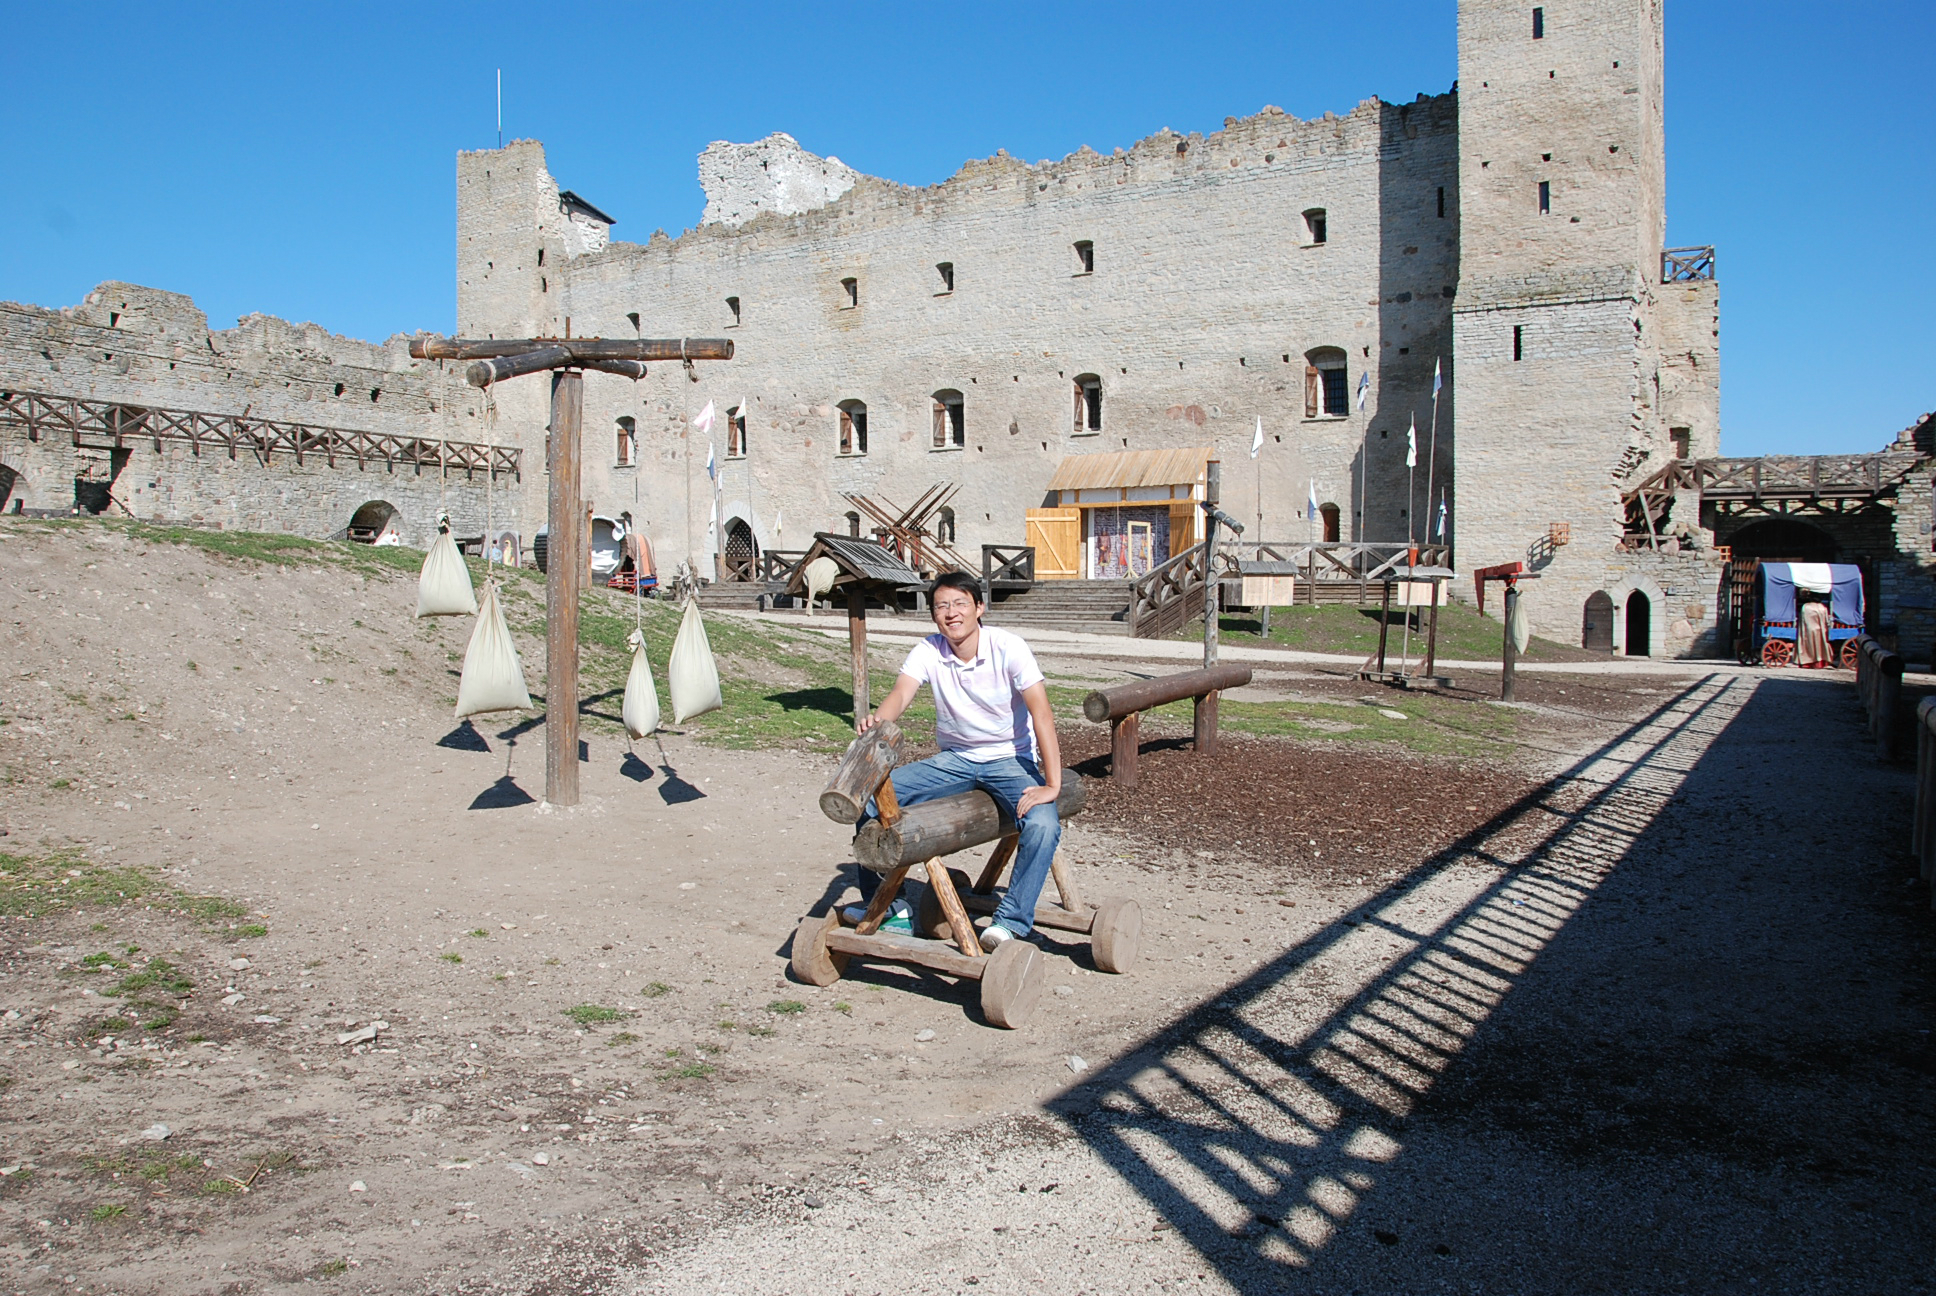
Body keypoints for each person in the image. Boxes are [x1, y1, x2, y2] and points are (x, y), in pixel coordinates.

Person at [845, 572, 1062, 949]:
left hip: (1009, 759)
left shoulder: (1008, 647)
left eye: (960, 603)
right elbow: (901, 694)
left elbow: (1041, 713)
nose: (951, 613)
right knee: (866, 799)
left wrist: (1052, 785)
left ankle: (1011, 921)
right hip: (955, 761)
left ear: (979, 608)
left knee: (1043, 824)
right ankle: (891, 909)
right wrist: (878, 722)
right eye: (941, 606)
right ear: (933, 614)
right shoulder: (929, 650)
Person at [1797, 597, 1831, 668]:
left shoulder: (1806, 607)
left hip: (1808, 629)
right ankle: (1820, 662)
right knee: (1820, 646)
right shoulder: (1822, 607)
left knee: (1808, 645)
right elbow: (1826, 621)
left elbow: (1802, 619)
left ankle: (1807, 662)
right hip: (1819, 629)